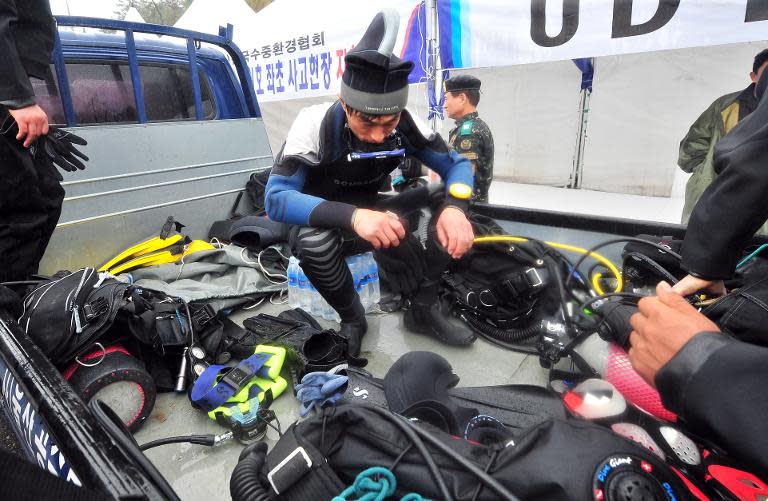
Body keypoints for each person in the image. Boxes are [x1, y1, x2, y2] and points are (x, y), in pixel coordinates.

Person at [264, 10, 477, 357]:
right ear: (345, 104)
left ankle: (422, 309)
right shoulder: (313, 123)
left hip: (374, 209)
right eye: (368, 122)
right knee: (314, 241)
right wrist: (355, 217)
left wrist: (455, 208)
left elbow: (458, 168)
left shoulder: (407, 124)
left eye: (389, 121)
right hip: (322, 220)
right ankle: (353, 319)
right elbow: (275, 200)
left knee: (447, 203)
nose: (380, 134)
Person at [628, 69, 768, 477]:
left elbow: (755, 158)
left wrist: (703, 366)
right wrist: (710, 258)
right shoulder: (723, 106)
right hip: (720, 224)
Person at [0, 0, 76, 285]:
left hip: (14, 79)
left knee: (47, 197)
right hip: (8, 90)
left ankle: (16, 296)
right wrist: (16, 97)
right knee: (20, 218)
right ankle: (7, 311)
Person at [678, 48, 768, 231]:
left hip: (759, 208)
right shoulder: (724, 106)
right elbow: (691, 147)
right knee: (704, 249)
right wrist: (706, 172)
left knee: (755, 254)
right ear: (753, 76)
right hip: (718, 200)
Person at [444, 75, 495, 203]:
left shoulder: (468, 132)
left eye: (446, 99)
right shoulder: (476, 126)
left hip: (466, 211)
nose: (444, 105)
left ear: (462, 98)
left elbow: (462, 181)